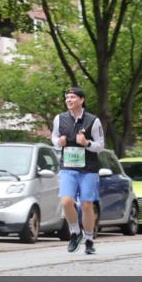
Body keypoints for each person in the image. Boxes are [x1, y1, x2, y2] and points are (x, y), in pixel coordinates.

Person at [51, 86, 105, 255]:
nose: (69, 100)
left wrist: (87, 143)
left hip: (88, 169)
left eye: (72, 97)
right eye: (67, 97)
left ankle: (89, 239)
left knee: (87, 205)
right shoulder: (59, 119)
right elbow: (53, 137)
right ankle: (75, 232)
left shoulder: (93, 121)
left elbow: (101, 145)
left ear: (82, 100)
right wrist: (58, 142)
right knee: (66, 201)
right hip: (67, 167)